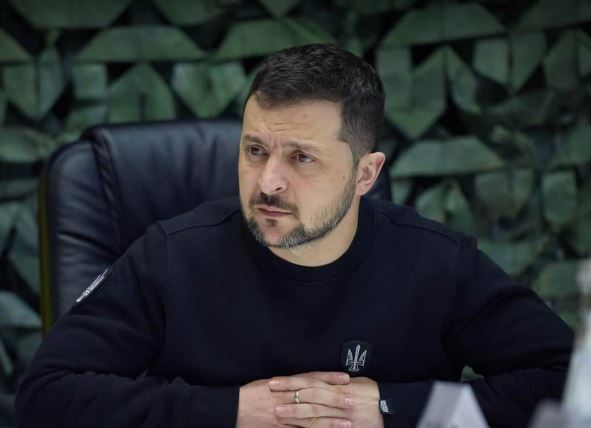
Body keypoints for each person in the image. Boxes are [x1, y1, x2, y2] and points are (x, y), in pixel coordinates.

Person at [16, 44, 573, 428]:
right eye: (255, 150)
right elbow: (45, 397)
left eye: (301, 158)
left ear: (365, 174)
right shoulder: (170, 257)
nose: (268, 182)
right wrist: (231, 411)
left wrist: (390, 407)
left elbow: (566, 384)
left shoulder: (436, 262)